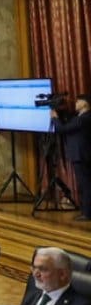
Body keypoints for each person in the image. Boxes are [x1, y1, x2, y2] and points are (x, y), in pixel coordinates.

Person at [52, 94, 91, 222]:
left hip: (81, 155)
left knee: (85, 185)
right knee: (84, 184)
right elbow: (68, 120)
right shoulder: (79, 117)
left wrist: (54, 118)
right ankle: (85, 211)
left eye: (78, 101)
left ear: (85, 103)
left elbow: (63, 129)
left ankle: (87, 213)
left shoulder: (84, 118)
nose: (76, 103)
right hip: (80, 155)